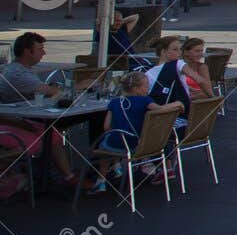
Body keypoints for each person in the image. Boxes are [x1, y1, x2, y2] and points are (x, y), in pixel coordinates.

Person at [0, 33, 78, 189]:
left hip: (22, 119)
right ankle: (63, 177)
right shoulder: (18, 73)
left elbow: (50, 93)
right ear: (27, 52)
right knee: (49, 135)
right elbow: (53, 93)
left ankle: (64, 176)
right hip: (12, 122)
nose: (44, 53)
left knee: (53, 132)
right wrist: (79, 87)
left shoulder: (21, 69)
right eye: (40, 49)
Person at [86, 70, 153, 194]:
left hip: (119, 144)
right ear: (137, 88)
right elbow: (159, 110)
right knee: (117, 139)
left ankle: (101, 181)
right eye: (146, 86)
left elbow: (106, 127)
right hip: (138, 144)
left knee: (107, 145)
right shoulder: (146, 101)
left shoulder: (114, 102)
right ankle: (116, 166)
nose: (148, 88)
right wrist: (176, 104)